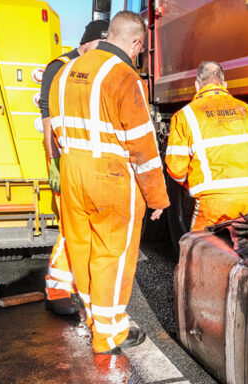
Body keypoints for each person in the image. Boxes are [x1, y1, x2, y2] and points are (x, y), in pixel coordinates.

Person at [48, 11, 169, 354]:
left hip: (72, 167)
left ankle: (93, 318)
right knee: (112, 254)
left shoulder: (65, 70)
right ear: (136, 43)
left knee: (82, 247)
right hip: (111, 174)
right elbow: (142, 144)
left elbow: (54, 124)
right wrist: (157, 197)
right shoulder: (124, 76)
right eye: (140, 50)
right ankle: (110, 333)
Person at [164, 61, 248, 231]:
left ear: (197, 86)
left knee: (200, 250)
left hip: (214, 202)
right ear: (225, 85)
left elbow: (176, 169)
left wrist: (199, 185)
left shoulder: (185, 116)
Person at [39, 19, 109, 316]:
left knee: (85, 228)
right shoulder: (59, 67)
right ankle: (57, 292)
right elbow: (47, 117)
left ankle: (80, 285)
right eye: (99, 47)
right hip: (65, 159)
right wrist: (53, 160)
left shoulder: (93, 67)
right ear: (86, 42)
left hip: (87, 164)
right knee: (71, 228)